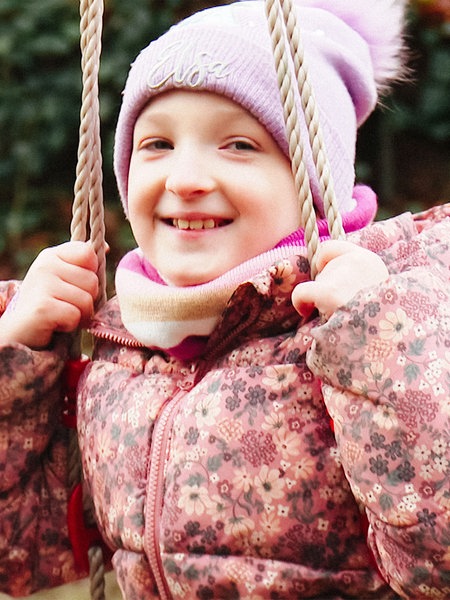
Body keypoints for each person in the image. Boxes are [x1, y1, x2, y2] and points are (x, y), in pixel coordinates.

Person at [1, 0, 450, 597]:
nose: (184, 178)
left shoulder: (384, 321)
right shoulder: (122, 345)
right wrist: (14, 364)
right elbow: (22, 552)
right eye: (157, 144)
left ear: (315, 187)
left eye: (238, 145)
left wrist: (378, 341)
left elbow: (437, 562)